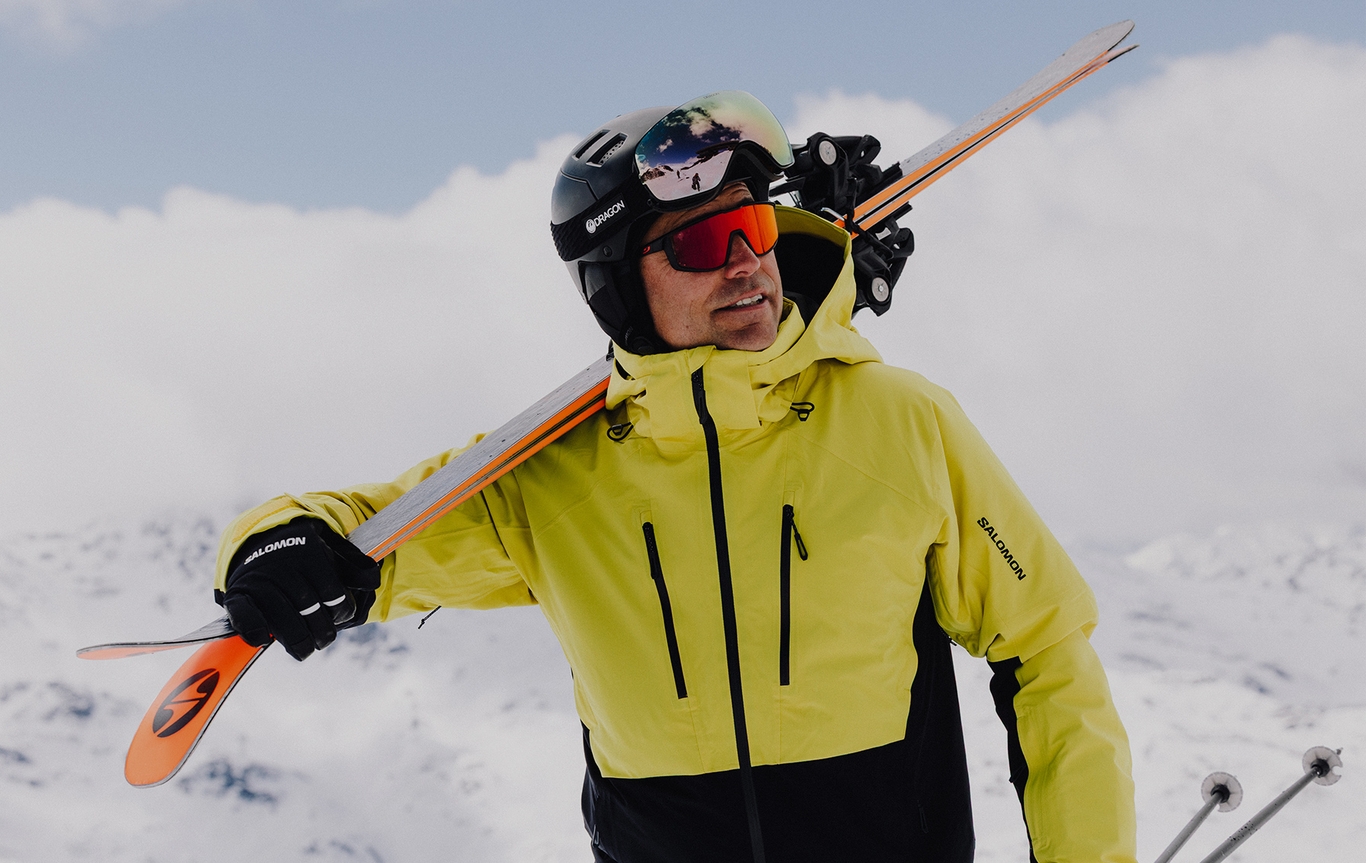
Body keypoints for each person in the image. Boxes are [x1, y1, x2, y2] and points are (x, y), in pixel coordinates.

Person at [211, 91, 1137, 862]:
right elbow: (361, 530)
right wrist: (278, 549)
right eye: (698, 245)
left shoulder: (898, 423)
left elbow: (1048, 653)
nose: (745, 263)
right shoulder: (552, 476)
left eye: (755, 226)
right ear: (615, 281)